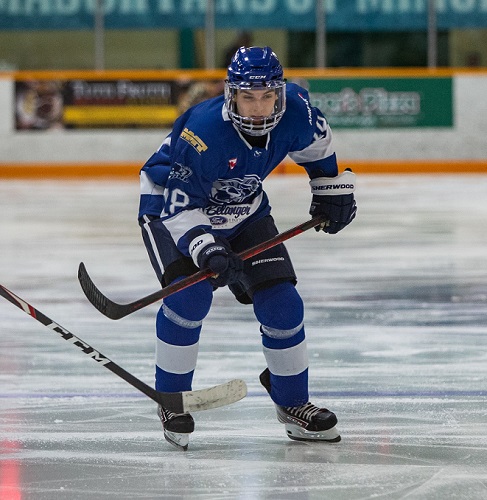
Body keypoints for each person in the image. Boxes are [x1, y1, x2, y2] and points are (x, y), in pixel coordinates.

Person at [138, 46, 357, 450]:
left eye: (267, 96)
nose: (258, 108)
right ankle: (172, 400)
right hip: (171, 207)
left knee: (283, 303)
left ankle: (293, 402)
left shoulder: (298, 112)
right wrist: (207, 249)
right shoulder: (203, 132)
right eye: (247, 97)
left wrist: (329, 189)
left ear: (280, 93)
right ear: (231, 95)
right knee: (190, 298)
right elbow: (180, 205)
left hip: (245, 211)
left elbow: (318, 148)